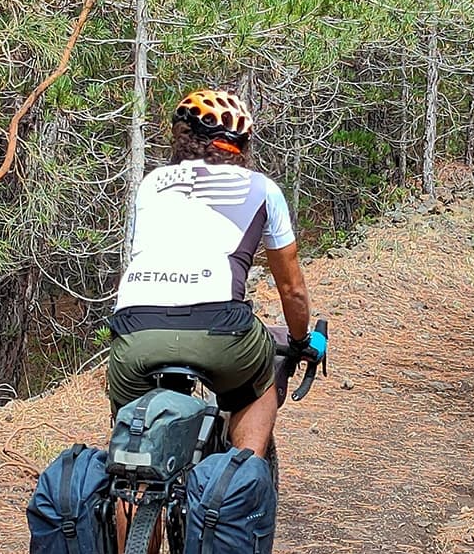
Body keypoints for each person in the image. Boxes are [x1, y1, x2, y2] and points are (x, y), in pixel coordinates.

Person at [108, 89, 323, 456]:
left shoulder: (150, 186)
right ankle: (242, 475)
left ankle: (133, 484)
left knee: (132, 464)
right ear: (241, 147)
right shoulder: (262, 190)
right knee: (260, 381)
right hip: (220, 329)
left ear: (181, 136)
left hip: (135, 331)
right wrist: (301, 341)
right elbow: (292, 290)